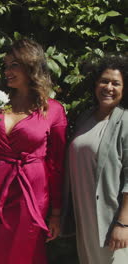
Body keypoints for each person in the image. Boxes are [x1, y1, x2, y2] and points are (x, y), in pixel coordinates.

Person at [0, 39, 67, 264]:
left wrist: (55, 212)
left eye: (14, 65)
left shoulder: (53, 110)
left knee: (23, 246)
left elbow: (57, 164)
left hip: (31, 188)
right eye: (6, 66)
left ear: (31, 66)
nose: (7, 71)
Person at [61, 55, 128, 263]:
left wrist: (123, 224)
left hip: (112, 221)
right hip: (85, 218)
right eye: (104, 81)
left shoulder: (125, 121)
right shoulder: (85, 118)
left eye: (116, 83)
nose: (108, 87)